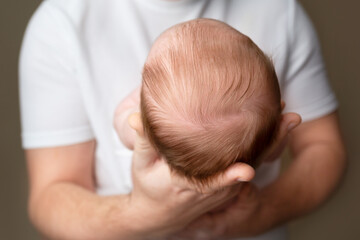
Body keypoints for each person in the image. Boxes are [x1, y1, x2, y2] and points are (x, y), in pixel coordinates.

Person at [19, 0, 346, 239]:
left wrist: (262, 214)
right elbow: (50, 196)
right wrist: (145, 215)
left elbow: (324, 147)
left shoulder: (281, 11)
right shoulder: (61, 24)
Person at [115, 19, 283, 184]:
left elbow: (121, 121)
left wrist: (140, 102)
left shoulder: (145, 131)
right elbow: (273, 153)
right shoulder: (261, 137)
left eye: (146, 80)